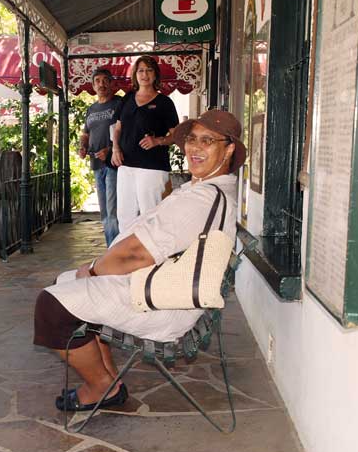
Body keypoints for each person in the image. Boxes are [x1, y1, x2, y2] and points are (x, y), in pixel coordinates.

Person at [34, 110, 247, 412]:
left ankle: (99, 386)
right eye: (191, 139)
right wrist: (95, 270)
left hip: (161, 302)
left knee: (50, 306)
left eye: (207, 141)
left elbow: (136, 254)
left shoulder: (202, 199)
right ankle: (109, 383)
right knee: (65, 285)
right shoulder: (207, 188)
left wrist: (94, 271)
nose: (195, 148)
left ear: (228, 149)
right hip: (159, 283)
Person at [111, 55, 179, 232]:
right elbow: (117, 128)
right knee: (125, 216)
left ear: (155, 74)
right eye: (141, 70)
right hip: (126, 165)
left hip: (152, 167)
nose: (145, 74)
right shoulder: (126, 99)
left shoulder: (165, 102)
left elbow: (177, 135)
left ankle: (153, 258)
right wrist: (115, 149)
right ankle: (127, 256)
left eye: (149, 70)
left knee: (151, 215)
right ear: (135, 74)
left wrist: (158, 140)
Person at [78, 69, 122, 246]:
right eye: (98, 81)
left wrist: (109, 150)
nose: (102, 84)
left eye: (105, 80)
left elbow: (125, 132)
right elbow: (85, 133)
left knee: (113, 211)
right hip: (96, 164)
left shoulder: (119, 103)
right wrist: (82, 146)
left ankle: (114, 250)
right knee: (104, 212)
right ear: (93, 85)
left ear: (111, 84)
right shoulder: (91, 108)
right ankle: (110, 247)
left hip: (113, 163)